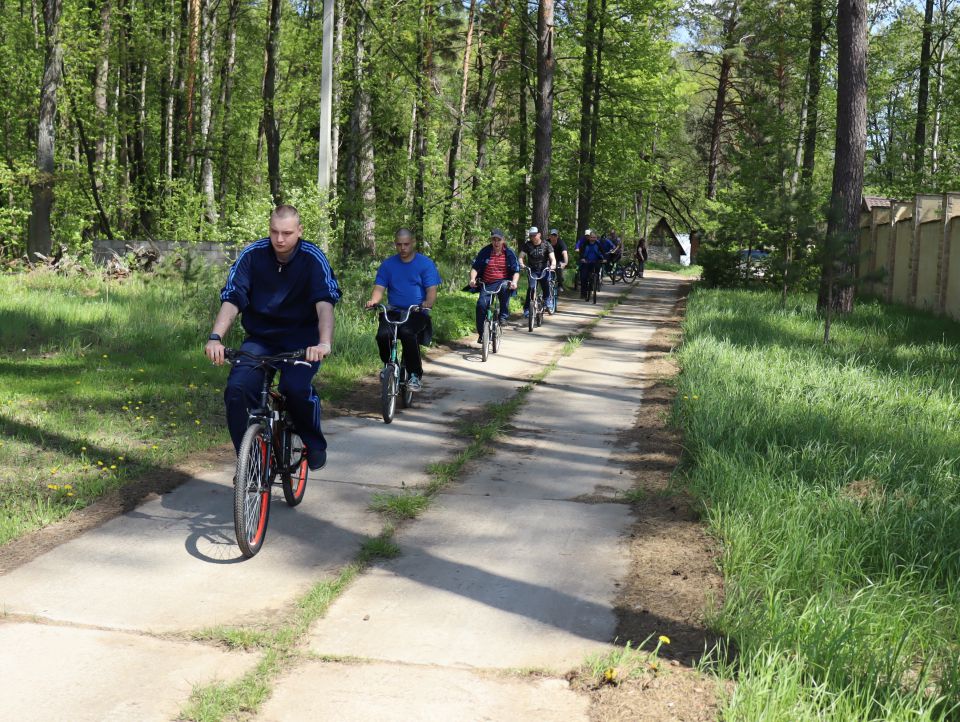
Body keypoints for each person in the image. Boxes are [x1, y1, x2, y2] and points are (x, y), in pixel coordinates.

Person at [205, 205, 340, 472]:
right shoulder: (253, 255)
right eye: (274, 232)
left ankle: (313, 441)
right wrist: (215, 337)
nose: (279, 239)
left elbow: (324, 303)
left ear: (299, 231)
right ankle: (251, 461)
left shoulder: (312, 258)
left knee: (295, 389)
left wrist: (324, 343)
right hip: (261, 339)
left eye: (287, 233)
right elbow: (233, 298)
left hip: (303, 340)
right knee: (237, 390)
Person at [364, 228, 440, 391]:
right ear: (395, 244)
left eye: (406, 244)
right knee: (383, 335)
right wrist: (374, 301)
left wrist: (428, 303)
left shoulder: (425, 264)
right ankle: (389, 366)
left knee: (407, 333)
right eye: (399, 244)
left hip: (416, 311)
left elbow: (431, 290)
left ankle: (414, 375)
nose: (403, 248)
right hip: (394, 310)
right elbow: (379, 288)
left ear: (413, 243)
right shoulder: (388, 265)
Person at [469, 229, 519, 343]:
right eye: (494, 240)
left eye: (498, 240)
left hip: (503, 281)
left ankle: (503, 317)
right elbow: (475, 267)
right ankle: (482, 334)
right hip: (487, 283)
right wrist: (472, 279)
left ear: (503, 240)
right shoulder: (485, 251)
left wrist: (514, 282)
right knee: (481, 305)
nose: (496, 242)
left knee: (505, 288)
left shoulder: (509, 253)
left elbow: (516, 270)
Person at [518, 226, 555, 317]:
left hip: (544, 270)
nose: (533, 237)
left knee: (545, 284)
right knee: (531, 288)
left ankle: (547, 300)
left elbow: (552, 258)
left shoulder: (546, 244)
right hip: (532, 270)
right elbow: (521, 257)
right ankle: (527, 309)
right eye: (531, 235)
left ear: (539, 234)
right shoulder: (527, 245)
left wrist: (553, 265)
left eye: (534, 235)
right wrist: (521, 264)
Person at [579, 229, 605, 299]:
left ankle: (594, 285)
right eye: (591, 237)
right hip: (586, 262)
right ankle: (583, 293)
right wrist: (582, 258)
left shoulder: (598, 244)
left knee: (596, 274)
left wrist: (604, 259)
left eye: (594, 237)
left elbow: (603, 252)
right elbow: (581, 253)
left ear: (596, 238)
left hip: (596, 262)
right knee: (583, 277)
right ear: (589, 237)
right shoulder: (584, 244)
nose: (593, 239)